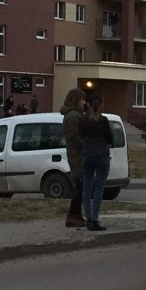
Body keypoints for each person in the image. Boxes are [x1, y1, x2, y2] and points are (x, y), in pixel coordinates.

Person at [79, 94, 113, 232]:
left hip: (87, 155)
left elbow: (80, 135)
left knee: (86, 188)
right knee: (99, 188)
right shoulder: (103, 120)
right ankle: (94, 219)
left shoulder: (83, 120)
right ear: (101, 105)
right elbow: (110, 138)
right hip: (101, 156)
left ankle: (88, 218)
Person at [61, 88, 88, 228]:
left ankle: (76, 214)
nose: (84, 102)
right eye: (82, 99)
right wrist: (87, 146)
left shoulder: (76, 115)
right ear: (76, 100)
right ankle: (72, 215)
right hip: (77, 156)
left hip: (77, 155)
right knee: (79, 186)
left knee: (80, 186)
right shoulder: (72, 116)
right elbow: (75, 137)